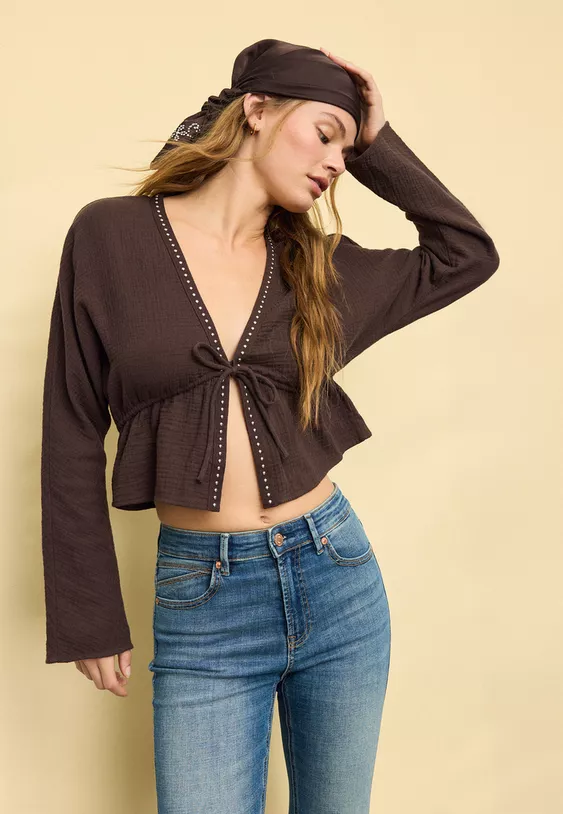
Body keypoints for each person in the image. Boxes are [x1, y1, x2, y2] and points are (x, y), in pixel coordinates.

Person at [40, 38, 499, 813]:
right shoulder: (110, 236)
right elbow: (72, 425)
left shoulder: (319, 268)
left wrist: (377, 143)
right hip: (202, 598)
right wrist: (89, 614)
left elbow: (464, 253)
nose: (334, 164)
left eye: (347, 152)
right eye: (324, 135)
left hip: (335, 575)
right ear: (255, 109)